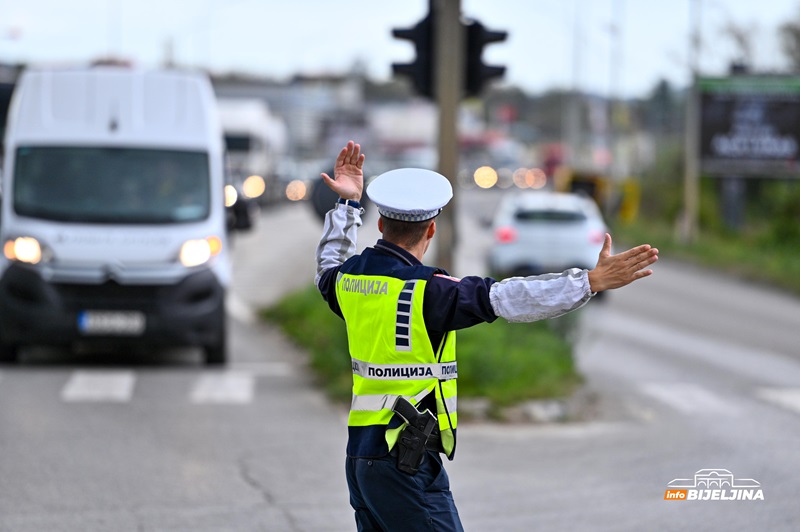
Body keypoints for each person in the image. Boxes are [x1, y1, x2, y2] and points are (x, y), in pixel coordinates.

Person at [315, 141, 658, 531]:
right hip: (405, 463)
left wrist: (346, 205)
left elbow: (327, 264)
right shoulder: (430, 292)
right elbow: (510, 298)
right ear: (431, 228)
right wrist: (589, 282)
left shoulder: (350, 281)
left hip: (360, 460)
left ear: (380, 225)